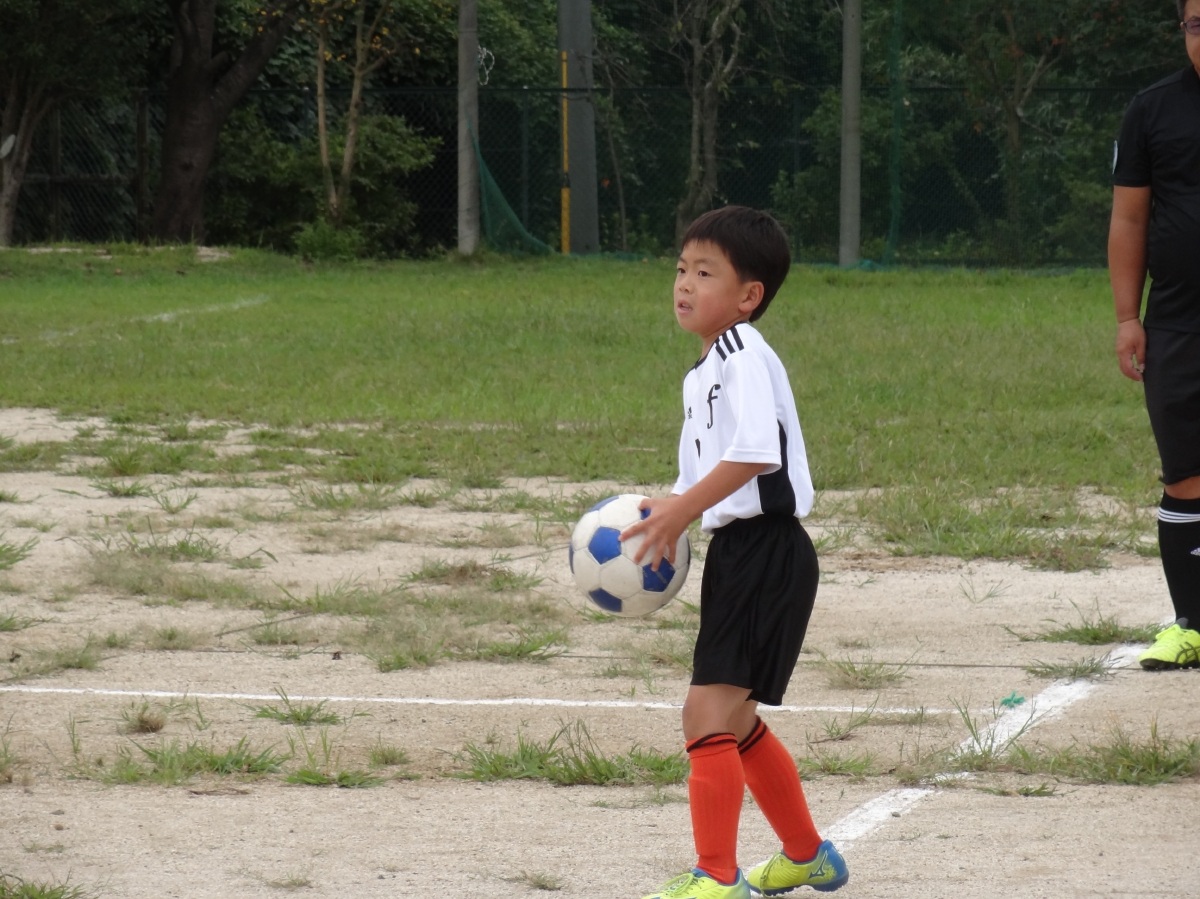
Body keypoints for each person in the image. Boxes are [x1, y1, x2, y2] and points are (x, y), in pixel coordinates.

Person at [622, 205, 848, 899]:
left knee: (704, 715)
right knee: (736, 719)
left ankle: (717, 876)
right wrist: (668, 512)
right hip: (740, 552)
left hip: (766, 551)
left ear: (749, 295)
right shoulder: (703, 372)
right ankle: (807, 854)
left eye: (705, 273)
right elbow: (699, 476)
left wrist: (683, 510)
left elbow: (754, 454)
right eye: (681, 269)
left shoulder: (742, 353)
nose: (684, 284)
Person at [1109, 0, 1200, 671]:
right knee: (1186, 472)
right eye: (1197, 24)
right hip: (1178, 321)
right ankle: (1191, 624)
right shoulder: (1152, 109)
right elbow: (1130, 219)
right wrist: (1127, 316)